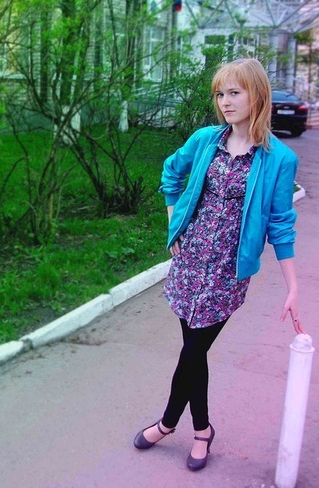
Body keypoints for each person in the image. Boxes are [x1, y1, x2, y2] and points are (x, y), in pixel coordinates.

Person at [132, 58, 305, 471]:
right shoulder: (205, 140)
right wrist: (174, 221)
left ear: (256, 95)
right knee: (195, 354)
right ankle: (202, 431)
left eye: (234, 92)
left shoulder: (279, 159)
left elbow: (281, 224)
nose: (225, 101)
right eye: (220, 94)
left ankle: (166, 424)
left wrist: (293, 286)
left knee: (193, 351)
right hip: (190, 261)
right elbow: (171, 173)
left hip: (228, 272)